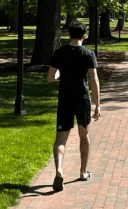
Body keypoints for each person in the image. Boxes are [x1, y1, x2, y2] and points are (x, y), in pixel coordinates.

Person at [47, 19, 101, 192]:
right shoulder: (88, 54)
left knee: (61, 139)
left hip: (65, 99)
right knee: (83, 135)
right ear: (84, 36)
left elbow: (50, 77)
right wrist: (97, 104)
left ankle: (59, 171)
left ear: (68, 34)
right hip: (82, 99)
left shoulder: (59, 52)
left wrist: (60, 74)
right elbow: (94, 80)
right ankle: (83, 172)